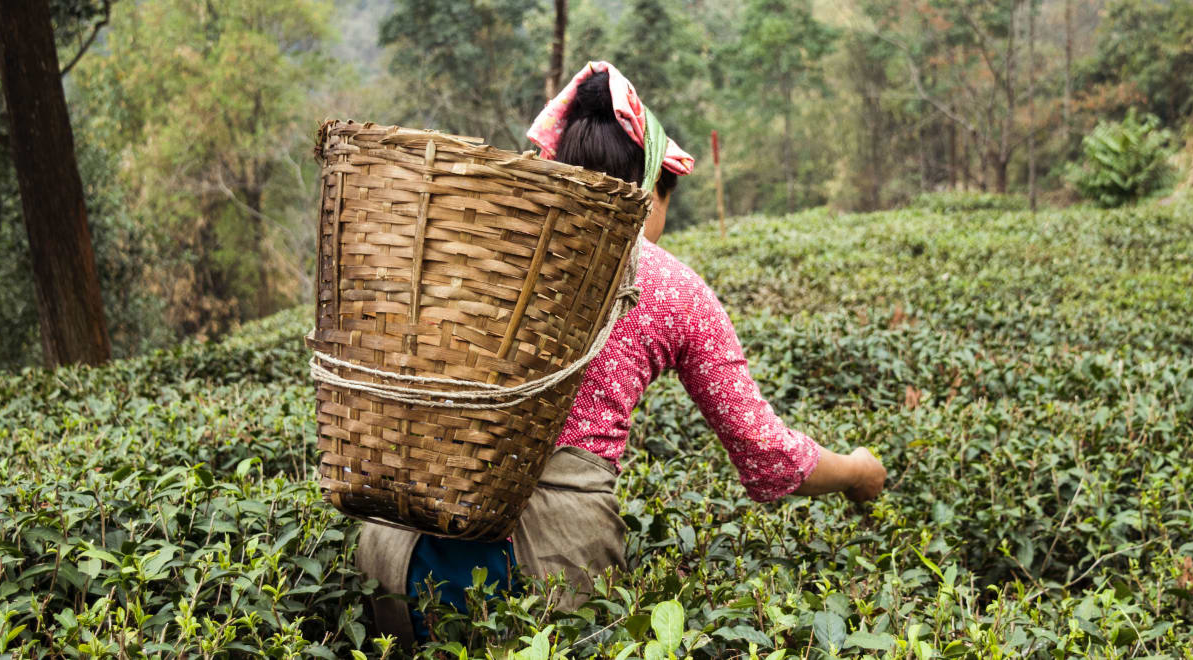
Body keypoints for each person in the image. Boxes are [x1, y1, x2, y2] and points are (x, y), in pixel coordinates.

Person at [356, 61, 887, 647]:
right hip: (544, 563)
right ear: (646, 191)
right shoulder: (668, 285)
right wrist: (858, 471)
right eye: (665, 199)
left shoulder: (483, 243)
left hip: (394, 550)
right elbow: (768, 456)